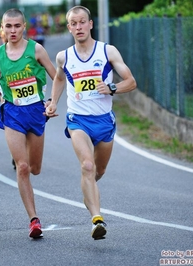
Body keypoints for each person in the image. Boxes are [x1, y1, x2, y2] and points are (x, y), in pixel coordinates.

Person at [45, 6, 137, 240]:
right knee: (87, 166)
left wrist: (112, 87)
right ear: (69, 28)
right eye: (73, 23)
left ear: (90, 24)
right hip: (78, 121)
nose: (78, 27)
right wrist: (53, 101)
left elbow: (131, 82)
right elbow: (58, 78)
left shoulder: (107, 52)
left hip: (104, 121)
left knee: (98, 170)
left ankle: (88, 189)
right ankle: (97, 219)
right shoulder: (64, 57)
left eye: (82, 22)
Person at [0, 8, 56, 238]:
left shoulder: (36, 49)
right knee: (22, 167)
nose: (12, 30)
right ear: (2, 28)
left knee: (35, 168)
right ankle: (34, 220)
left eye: (17, 26)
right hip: (12, 112)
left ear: (23, 27)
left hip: (36, 111)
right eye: (8, 26)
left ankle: (25, 159)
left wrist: (53, 101)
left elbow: (56, 76)